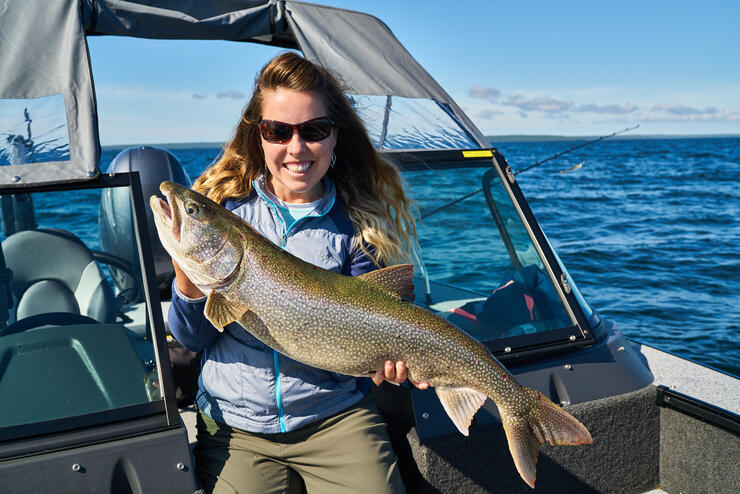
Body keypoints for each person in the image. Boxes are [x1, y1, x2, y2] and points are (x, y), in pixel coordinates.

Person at [168, 52, 426, 494]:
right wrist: (188, 278)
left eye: (314, 130)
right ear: (259, 135)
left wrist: (390, 364)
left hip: (336, 417)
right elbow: (192, 339)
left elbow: (381, 322)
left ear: (334, 136)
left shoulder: (358, 227)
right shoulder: (228, 210)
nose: (296, 147)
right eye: (277, 131)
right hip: (237, 427)